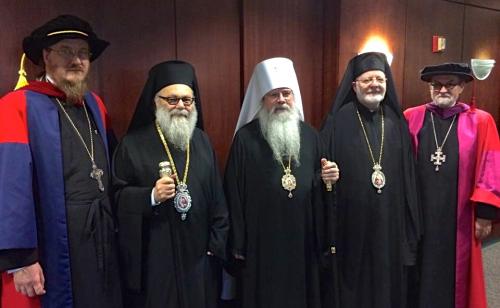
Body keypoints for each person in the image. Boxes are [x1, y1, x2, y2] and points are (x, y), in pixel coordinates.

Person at [0, 15, 122, 308]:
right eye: (65, 51)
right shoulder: (16, 105)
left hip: (99, 236)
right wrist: (21, 259)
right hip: (52, 240)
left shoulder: (95, 103)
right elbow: (9, 186)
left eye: (83, 53)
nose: (76, 60)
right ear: (45, 56)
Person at [224, 57, 339, 308]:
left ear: (294, 96)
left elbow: (319, 185)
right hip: (261, 241)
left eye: (286, 93)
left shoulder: (310, 135)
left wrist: (327, 178)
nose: (281, 100)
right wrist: (239, 243)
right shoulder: (245, 139)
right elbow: (234, 192)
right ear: (262, 100)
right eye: (273, 94)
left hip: (303, 239)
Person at [112, 60, 228, 308]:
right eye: (172, 100)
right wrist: (151, 196)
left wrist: (216, 244)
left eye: (187, 100)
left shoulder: (202, 141)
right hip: (156, 257)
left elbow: (218, 198)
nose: (181, 107)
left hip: (199, 257)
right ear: (155, 101)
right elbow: (116, 197)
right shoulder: (132, 145)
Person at [320, 52, 421, 308]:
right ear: (354, 86)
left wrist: (410, 226)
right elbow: (321, 167)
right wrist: (325, 174)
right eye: (367, 80)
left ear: (387, 83)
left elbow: (408, 176)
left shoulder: (397, 123)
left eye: (380, 78)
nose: (375, 84)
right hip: (351, 224)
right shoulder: (338, 120)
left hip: (390, 222)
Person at [404, 63, 500, 308]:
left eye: (450, 84)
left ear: (461, 87)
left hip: (459, 216)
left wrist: (485, 215)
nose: (442, 89)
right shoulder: (411, 117)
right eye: (436, 84)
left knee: (455, 272)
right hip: (420, 212)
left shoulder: (481, 121)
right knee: (418, 269)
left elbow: (492, 165)